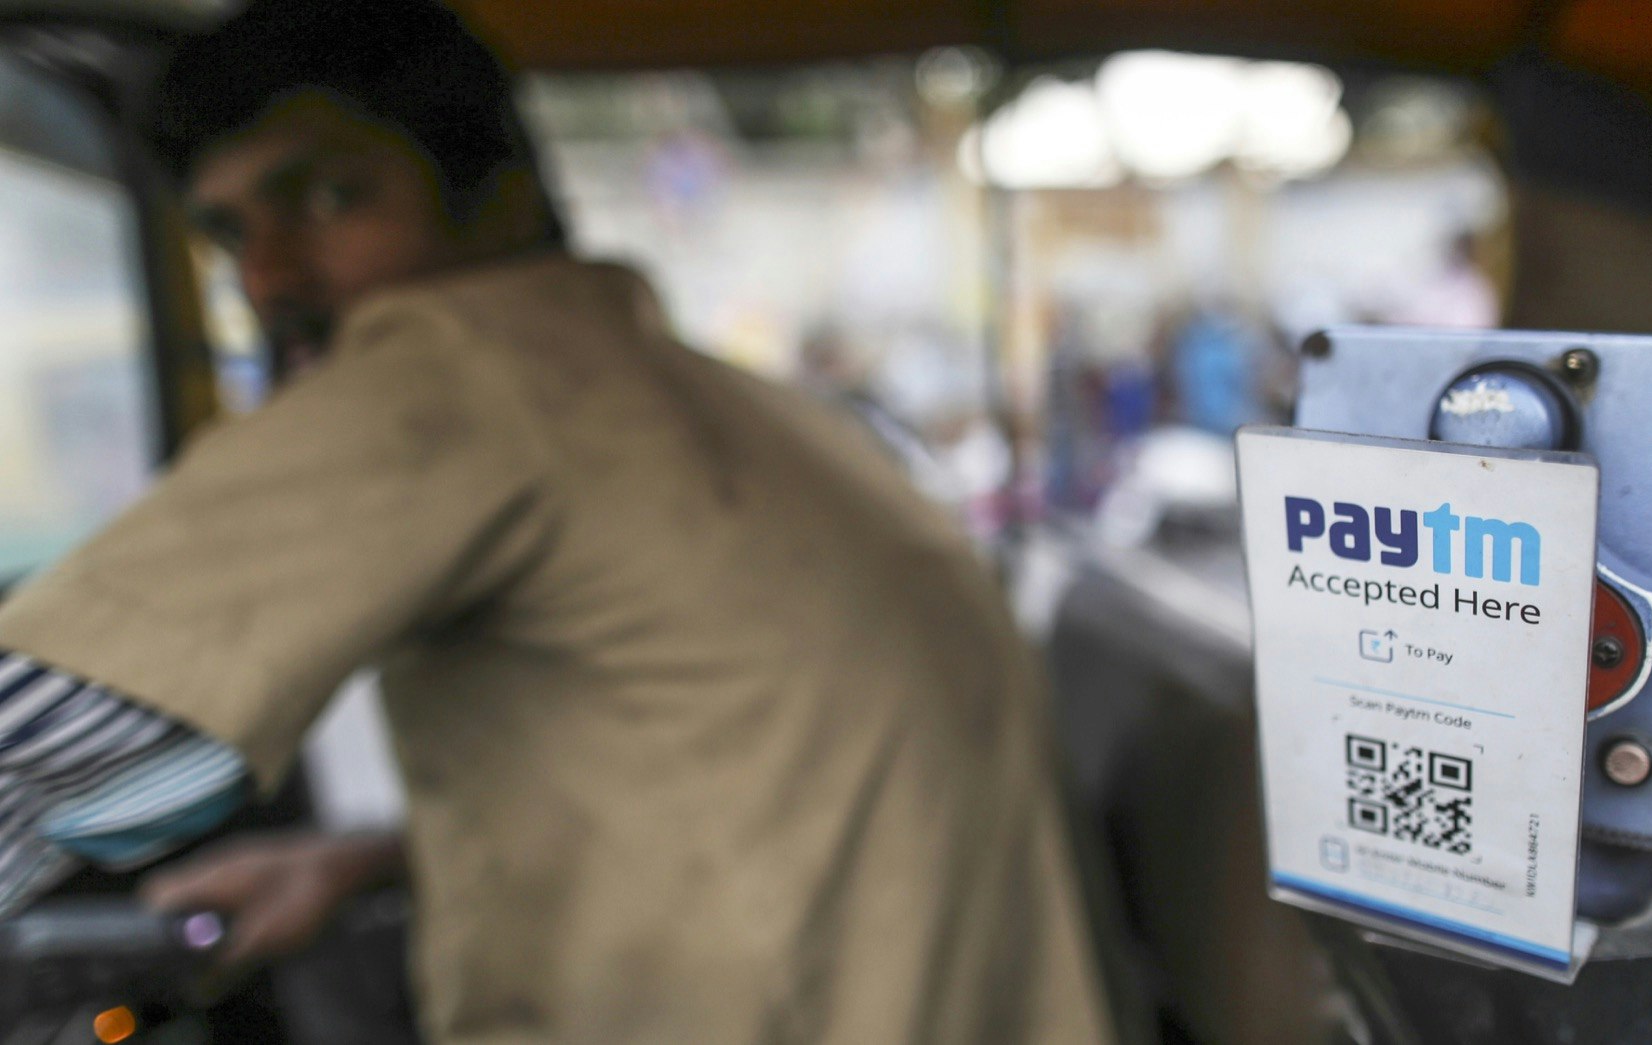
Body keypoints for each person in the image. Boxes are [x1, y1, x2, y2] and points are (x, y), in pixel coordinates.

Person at [0, 2, 1115, 1041]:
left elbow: (46, 737)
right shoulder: (713, 401)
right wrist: (374, 863)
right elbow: (742, 787)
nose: (269, 272)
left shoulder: (457, 368)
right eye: (228, 230)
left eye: (332, 198)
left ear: (498, 193)